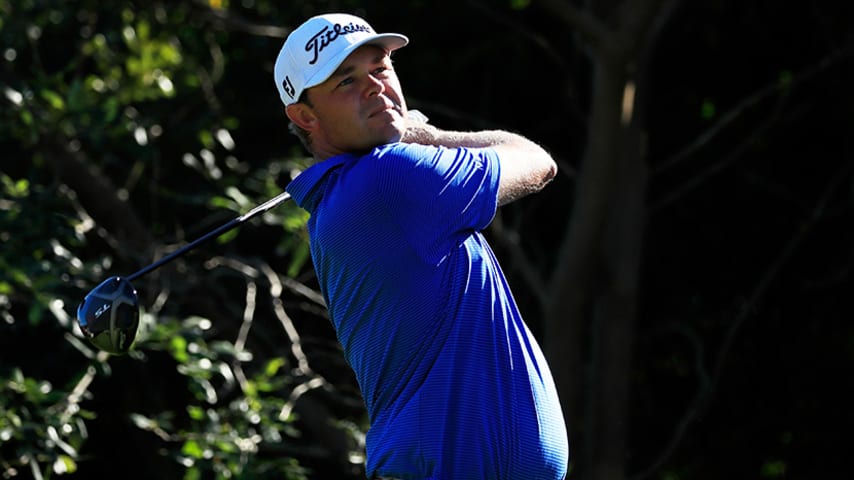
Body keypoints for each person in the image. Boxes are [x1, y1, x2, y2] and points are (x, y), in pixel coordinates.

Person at [273, 13, 569, 480]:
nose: (374, 87)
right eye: (346, 81)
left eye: (379, 69)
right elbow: (536, 162)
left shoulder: (348, 196)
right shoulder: (388, 177)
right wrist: (430, 136)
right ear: (305, 116)